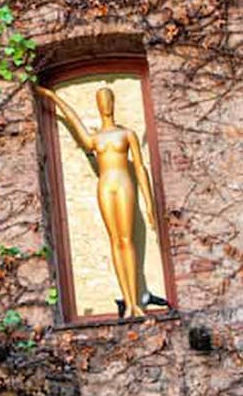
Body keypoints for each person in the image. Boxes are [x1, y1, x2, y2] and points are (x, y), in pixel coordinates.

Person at [35, 85, 160, 317]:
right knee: (115, 241)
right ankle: (129, 300)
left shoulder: (127, 134)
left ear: (113, 103)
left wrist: (149, 202)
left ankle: (136, 303)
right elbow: (75, 123)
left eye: (108, 99)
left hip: (124, 184)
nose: (105, 104)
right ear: (98, 104)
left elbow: (140, 167)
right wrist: (54, 98)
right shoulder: (95, 138)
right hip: (105, 185)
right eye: (101, 100)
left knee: (127, 239)